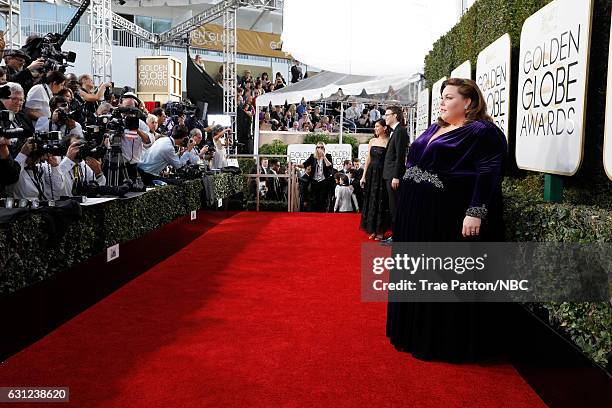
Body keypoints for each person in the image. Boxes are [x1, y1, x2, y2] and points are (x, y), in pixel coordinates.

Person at [386, 78, 508, 363]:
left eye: (449, 97)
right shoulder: (436, 127)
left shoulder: (482, 131)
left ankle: (440, 341)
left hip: (444, 214)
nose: (442, 102)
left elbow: (489, 172)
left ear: (468, 102)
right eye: (442, 96)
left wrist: (475, 210)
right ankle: (411, 331)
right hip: (415, 213)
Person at [381, 105, 408, 243]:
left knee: (395, 207)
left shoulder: (400, 131)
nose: (385, 117)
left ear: (395, 116)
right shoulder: (395, 131)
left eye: (387, 114)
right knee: (392, 207)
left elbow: (400, 156)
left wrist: (396, 176)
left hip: (394, 176)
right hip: (389, 174)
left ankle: (398, 236)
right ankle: (395, 235)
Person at [360, 119, 391, 240]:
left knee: (381, 200)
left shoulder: (389, 141)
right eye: (375, 126)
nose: (375, 128)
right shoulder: (372, 141)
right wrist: (363, 176)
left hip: (383, 174)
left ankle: (380, 231)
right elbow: (368, 159)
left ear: (384, 128)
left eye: (377, 126)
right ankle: (372, 229)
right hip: (371, 173)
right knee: (371, 199)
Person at [302, 142, 335, 212]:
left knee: (323, 200)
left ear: (324, 148)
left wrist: (324, 156)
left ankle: (322, 215)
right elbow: (305, 164)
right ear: (316, 148)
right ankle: (315, 215)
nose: (320, 149)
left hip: (324, 181)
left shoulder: (328, 156)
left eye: (321, 147)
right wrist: (296, 165)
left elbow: (330, 167)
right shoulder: (312, 156)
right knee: (314, 199)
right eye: (318, 147)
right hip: (314, 180)